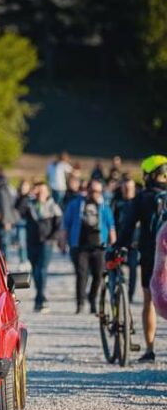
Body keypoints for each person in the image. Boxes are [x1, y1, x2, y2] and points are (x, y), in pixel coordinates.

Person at [116, 155, 167, 361]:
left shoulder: (142, 198)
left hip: (150, 254)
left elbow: (127, 229)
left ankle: (150, 349)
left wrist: (118, 247)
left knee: (149, 300)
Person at [62, 178, 116, 314]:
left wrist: (113, 241)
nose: (95, 194)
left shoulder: (104, 206)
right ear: (87, 190)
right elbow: (66, 223)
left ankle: (92, 299)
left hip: (99, 246)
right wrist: (62, 240)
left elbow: (111, 225)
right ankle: (80, 303)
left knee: (98, 275)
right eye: (92, 190)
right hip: (80, 245)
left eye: (98, 191)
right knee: (81, 275)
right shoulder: (76, 204)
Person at [19, 182, 62, 312]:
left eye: (43, 191)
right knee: (35, 269)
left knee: (42, 269)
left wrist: (53, 238)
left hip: (46, 242)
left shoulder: (53, 206)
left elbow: (58, 224)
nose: (41, 194)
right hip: (32, 241)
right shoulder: (29, 205)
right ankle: (40, 296)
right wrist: (26, 194)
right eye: (39, 191)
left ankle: (41, 298)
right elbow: (18, 210)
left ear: (47, 192)